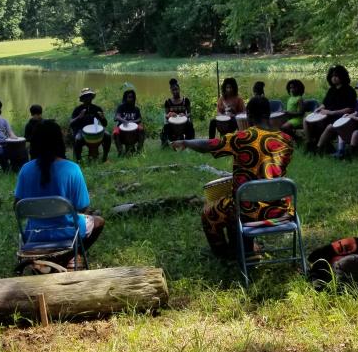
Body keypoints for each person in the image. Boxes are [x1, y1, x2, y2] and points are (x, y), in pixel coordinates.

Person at [173, 96, 294, 257]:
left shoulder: (242, 137)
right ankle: (244, 248)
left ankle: (225, 254)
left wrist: (186, 142)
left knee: (209, 212)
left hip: (247, 210)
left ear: (249, 115)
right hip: (279, 209)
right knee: (232, 202)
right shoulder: (287, 140)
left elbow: (208, 145)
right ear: (269, 114)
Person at [14, 120, 105, 270]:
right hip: (68, 234)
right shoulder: (72, 169)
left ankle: (49, 261)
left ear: (35, 143)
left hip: (35, 235)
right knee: (99, 221)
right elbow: (83, 207)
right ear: (59, 142)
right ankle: (73, 256)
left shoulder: (26, 170)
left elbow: (17, 206)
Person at [312, 65, 357, 152]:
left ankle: (318, 149)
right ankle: (323, 146)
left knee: (329, 127)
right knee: (315, 123)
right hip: (330, 115)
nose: (334, 78)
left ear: (342, 76)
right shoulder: (331, 90)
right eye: (332, 76)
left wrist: (332, 112)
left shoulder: (349, 90)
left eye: (336, 76)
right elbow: (325, 103)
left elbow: (350, 109)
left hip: (343, 117)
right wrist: (319, 108)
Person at [69, 88, 111, 162]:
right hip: (81, 131)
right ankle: (78, 160)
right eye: (85, 96)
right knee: (78, 139)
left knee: (107, 135)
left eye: (89, 95)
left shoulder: (97, 108)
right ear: (82, 98)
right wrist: (79, 117)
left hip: (95, 131)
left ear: (92, 97)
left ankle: (105, 157)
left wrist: (103, 118)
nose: (88, 98)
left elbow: (105, 124)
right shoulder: (78, 109)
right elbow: (71, 124)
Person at [161, 78, 195, 146]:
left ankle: (189, 143)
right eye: (173, 90)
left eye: (176, 89)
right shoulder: (168, 102)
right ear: (171, 91)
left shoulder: (186, 100)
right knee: (165, 126)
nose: (175, 91)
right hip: (172, 125)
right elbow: (166, 115)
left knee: (190, 125)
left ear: (179, 89)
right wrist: (170, 114)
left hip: (183, 124)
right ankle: (165, 144)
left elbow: (189, 113)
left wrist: (185, 115)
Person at [113, 89, 145, 155]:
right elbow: (117, 117)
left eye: (132, 97)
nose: (131, 99)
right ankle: (120, 151)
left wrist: (132, 121)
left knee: (142, 129)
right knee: (115, 132)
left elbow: (139, 118)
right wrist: (124, 121)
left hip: (134, 129)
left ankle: (139, 150)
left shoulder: (136, 108)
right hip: (122, 128)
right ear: (125, 98)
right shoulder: (121, 107)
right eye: (129, 97)